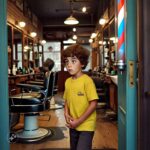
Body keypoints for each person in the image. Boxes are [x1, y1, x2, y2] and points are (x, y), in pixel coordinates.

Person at [62, 44, 99, 150]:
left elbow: (93, 103)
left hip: (86, 124)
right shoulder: (68, 82)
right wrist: (66, 112)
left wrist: (79, 121)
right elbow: (66, 100)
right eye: (67, 61)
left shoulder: (87, 81)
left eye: (73, 61)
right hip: (73, 123)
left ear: (82, 63)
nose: (69, 65)